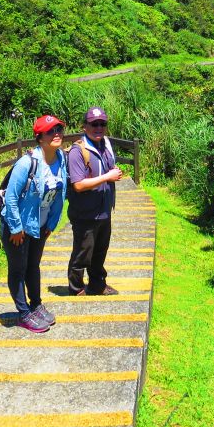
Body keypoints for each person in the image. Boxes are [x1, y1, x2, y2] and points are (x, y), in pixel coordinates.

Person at [1, 114, 67, 333]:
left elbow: (59, 194)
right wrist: (16, 228)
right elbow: (11, 197)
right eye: (51, 131)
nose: (57, 134)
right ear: (40, 138)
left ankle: (36, 304)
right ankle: (23, 313)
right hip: (18, 228)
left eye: (59, 129)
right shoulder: (26, 162)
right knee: (18, 269)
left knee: (33, 266)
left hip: (40, 226)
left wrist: (52, 223)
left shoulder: (60, 159)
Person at [66, 106, 123, 295]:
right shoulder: (77, 151)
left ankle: (98, 284)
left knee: (100, 252)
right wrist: (107, 177)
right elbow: (78, 185)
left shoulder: (105, 145)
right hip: (85, 213)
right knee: (83, 252)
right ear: (84, 127)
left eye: (102, 123)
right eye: (94, 124)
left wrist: (112, 174)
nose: (98, 127)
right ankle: (76, 287)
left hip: (104, 210)